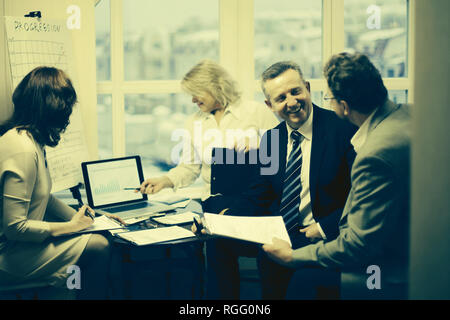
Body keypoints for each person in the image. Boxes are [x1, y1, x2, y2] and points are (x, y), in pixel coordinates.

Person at [199, 61, 357, 299]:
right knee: (218, 242)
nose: (291, 102)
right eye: (281, 98)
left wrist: (324, 227)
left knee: (269, 256)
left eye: (295, 92)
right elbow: (259, 195)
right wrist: (223, 218)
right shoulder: (273, 139)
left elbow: (359, 195)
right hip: (278, 229)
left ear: (307, 87)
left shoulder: (342, 129)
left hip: (320, 232)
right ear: (270, 105)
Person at [263, 52, 411, 300]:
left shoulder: (370, 151)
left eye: (329, 98)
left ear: (343, 106)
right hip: (299, 232)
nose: (291, 102)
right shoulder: (411, 114)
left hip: (387, 264)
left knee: (303, 280)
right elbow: (263, 192)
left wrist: (293, 255)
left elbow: (358, 245)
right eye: (280, 97)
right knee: (267, 259)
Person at [0, 66, 123, 299]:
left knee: (101, 236)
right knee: (98, 247)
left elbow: (43, 197)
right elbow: (15, 228)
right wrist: (72, 226)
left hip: (18, 248)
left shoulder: (29, 139)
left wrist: (92, 218)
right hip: (7, 254)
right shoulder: (22, 149)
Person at [138, 59, 279, 199]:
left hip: (258, 203)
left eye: (196, 93)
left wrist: (261, 145)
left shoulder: (257, 111)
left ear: (216, 88)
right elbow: (189, 168)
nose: (193, 100)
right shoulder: (194, 122)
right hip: (214, 205)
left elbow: (284, 153)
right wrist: (164, 181)